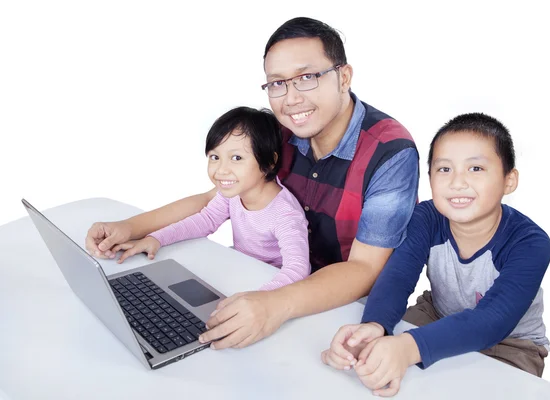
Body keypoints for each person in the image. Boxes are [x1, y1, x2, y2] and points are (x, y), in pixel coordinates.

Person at [85, 17, 420, 350]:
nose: (290, 99)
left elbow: (363, 269)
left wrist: (275, 303)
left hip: (342, 309)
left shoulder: (390, 152)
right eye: (277, 83)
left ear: (343, 77)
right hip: (265, 284)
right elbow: (212, 201)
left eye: (307, 77)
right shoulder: (280, 130)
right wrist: (130, 227)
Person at [321, 113, 550, 397]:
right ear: (429, 176)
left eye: (476, 168)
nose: (457, 183)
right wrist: (375, 325)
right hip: (437, 314)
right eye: (444, 169)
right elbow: (398, 277)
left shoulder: (530, 242)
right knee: (374, 364)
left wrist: (408, 347)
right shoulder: (427, 217)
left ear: (509, 180)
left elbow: (493, 319)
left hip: (512, 343)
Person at [111, 106, 310, 291]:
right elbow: (204, 221)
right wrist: (156, 238)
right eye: (215, 157)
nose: (221, 170)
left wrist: (260, 297)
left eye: (237, 158)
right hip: (241, 274)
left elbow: (298, 269)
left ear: (269, 162)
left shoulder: (284, 213)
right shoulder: (232, 194)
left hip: (271, 288)